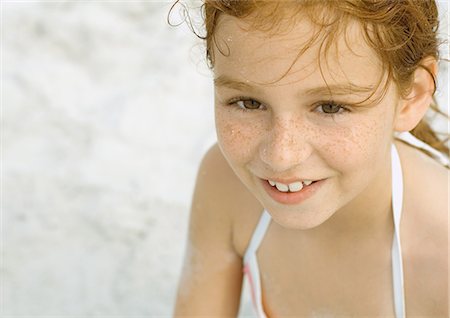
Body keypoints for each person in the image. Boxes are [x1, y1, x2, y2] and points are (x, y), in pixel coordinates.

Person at [173, 0, 449, 316]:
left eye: (330, 107)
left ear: (411, 95)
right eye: (248, 103)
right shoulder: (227, 185)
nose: (280, 157)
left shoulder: (442, 267)